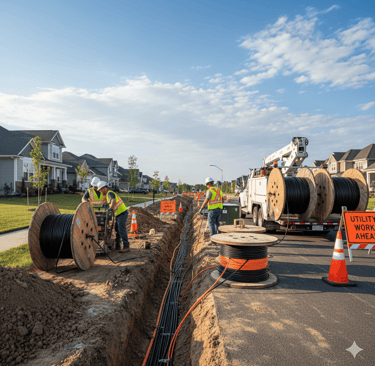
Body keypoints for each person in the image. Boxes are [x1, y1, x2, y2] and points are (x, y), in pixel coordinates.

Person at [97, 181, 130, 251]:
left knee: (121, 229)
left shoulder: (110, 193)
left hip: (122, 213)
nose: (100, 191)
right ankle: (117, 246)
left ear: (104, 188)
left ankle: (126, 246)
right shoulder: (107, 195)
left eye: (101, 190)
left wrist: (109, 209)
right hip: (119, 214)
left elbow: (113, 201)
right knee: (117, 229)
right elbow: (108, 203)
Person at [199, 177, 224, 243]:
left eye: (207, 185)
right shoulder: (218, 190)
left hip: (212, 210)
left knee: (211, 224)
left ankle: (213, 240)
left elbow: (207, 199)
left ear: (208, 184)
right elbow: (222, 199)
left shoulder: (210, 191)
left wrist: (201, 208)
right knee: (217, 223)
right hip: (219, 209)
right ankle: (220, 237)